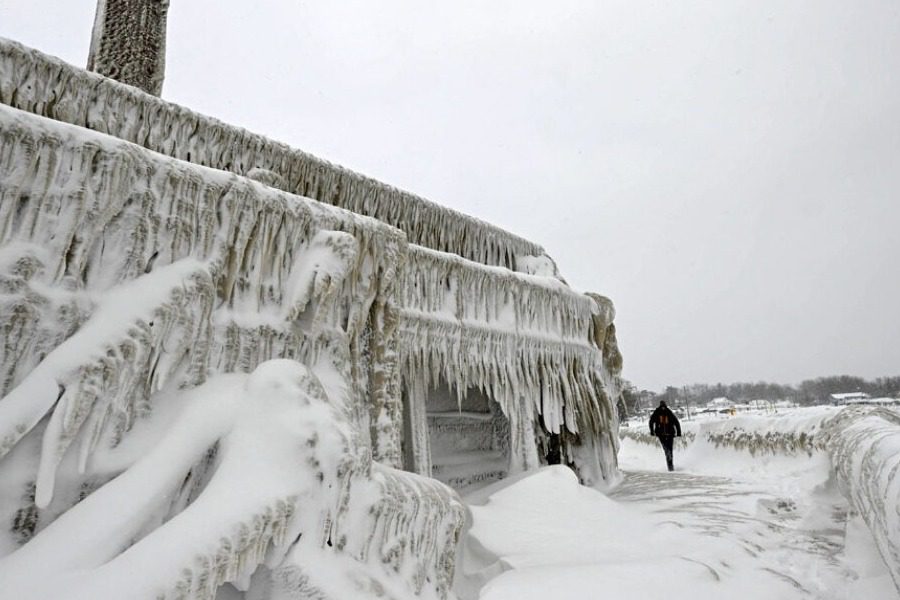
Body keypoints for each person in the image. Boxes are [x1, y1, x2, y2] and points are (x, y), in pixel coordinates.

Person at [648, 401, 682, 471]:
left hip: (662, 434)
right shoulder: (668, 412)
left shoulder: (657, 412)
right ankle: (670, 466)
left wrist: (652, 431)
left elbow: (651, 422)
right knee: (669, 449)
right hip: (669, 433)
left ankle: (670, 465)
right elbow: (676, 422)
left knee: (666, 449)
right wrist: (678, 432)